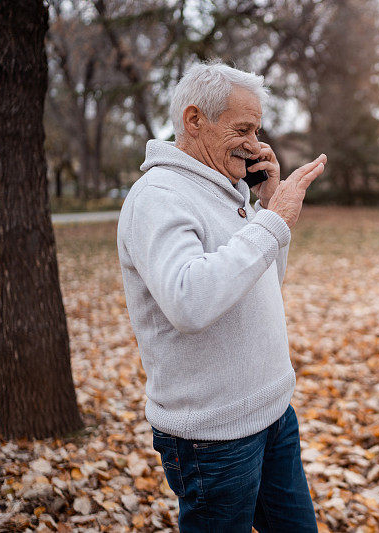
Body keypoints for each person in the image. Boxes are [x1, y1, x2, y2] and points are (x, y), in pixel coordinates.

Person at [117, 61, 326, 532]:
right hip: (213, 438)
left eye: (258, 129)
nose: (256, 144)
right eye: (243, 129)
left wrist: (267, 208)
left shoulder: (228, 191)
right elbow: (189, 301)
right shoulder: (159, 195)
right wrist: (274, 222)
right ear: (195, 121)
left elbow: (263, 283)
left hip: (273, 415)